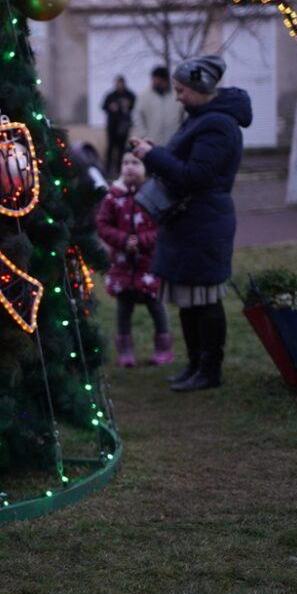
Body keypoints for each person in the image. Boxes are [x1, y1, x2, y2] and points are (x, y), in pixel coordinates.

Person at [130, 55, 252, 392]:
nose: (178, 96)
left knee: (204, 299)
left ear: (201, 89)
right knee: (188, 297)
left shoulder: (218, 125)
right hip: (190, 221)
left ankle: (209, 369)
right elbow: (187, 163)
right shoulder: (202, 118)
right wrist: (158, 152)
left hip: (203, 222)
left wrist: (152, 157)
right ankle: (195, 364)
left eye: (182, 90)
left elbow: (196, 176)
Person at [96, 152, 172, 367]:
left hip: (149, 265)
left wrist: (142, 241)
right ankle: (126, 351)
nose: (129, 167)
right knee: (124, 309)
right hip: (123, 265)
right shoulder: (113, 197)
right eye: (125, 163)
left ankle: (163, 346)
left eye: (135, 163)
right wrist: (122, 240)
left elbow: (163, 227)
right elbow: (103, 225)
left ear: (146, 168)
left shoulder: (155, 195)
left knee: (156, 307)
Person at [131, 66, 183, 149]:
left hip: (174, 144)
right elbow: (137, 117)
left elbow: (185, 117)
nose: (155, 83)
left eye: (159, 81)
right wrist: (144, 136)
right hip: (151, 145)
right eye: (153, 80)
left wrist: (181, 136)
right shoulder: (143, 96)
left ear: (166, 81)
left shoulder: (177, 94)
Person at [102, 76, 137, 176]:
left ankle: (120, 170)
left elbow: (136, 105)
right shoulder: (111, 95)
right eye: (117, 83)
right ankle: (108, 170)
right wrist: (110, 107)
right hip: (112, 126)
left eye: (121, 83)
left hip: (124, 126)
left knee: (122, 149)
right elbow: (103, 106)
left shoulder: (129, 95)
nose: (119, 85)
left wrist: (129, 105)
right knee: (110, 148)